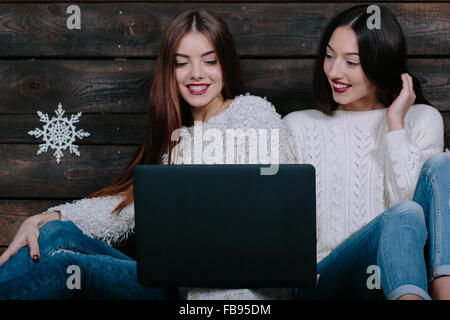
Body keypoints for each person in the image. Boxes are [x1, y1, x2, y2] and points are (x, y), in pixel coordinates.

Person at [0, 10, 289, 300]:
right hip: (172, 280)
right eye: (181, 64)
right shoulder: (175, 140)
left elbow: (263, 211)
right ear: (169, 71)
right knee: (55, 234)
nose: (196, 73)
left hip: (223, 293)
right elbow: (127, 208)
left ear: (225, 63)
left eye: (210, 61)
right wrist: (45, 217)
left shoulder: (250, 112)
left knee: (68, 267)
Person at [283, 5, 448, 300]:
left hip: (401, 276)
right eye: (330, 56)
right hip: (324, 280)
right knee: (402, 214)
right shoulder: (298, 127)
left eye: (351, 62)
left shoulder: (421, 119)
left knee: (443, 167)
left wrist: (395, 125)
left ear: (380, 63)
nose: (334, 71)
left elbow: (414, 223)